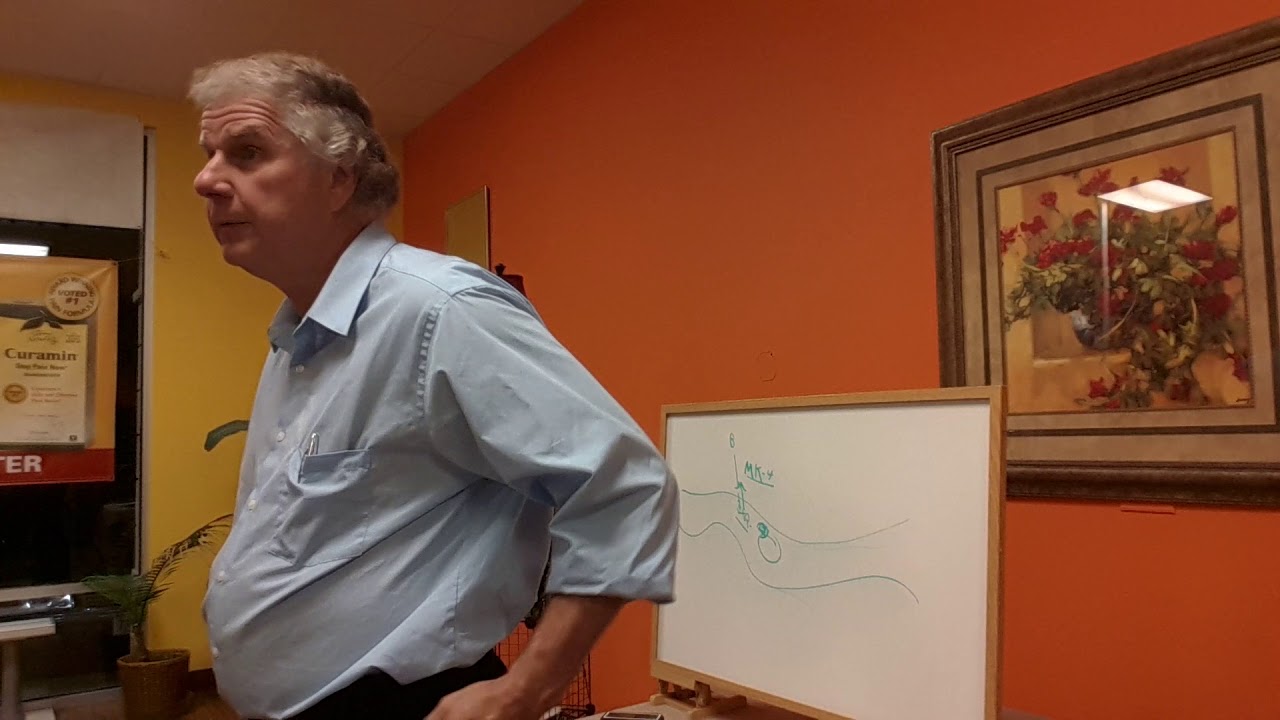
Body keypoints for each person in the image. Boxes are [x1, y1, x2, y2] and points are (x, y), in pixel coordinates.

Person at [189, 52, 680, 720]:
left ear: (339, 178)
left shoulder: (439, 308)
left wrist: (527, 690)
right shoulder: (294, 338)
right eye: (210, 155)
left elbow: (625, 487)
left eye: (247, 152)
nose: (206, 180)